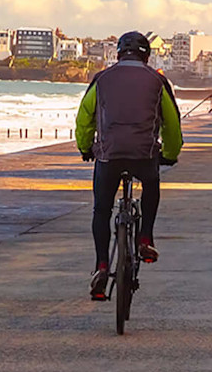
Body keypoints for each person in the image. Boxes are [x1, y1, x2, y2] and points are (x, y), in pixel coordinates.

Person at [74, 31, 182, 300]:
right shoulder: (157, 81)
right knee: (151, 186)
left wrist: (85, 148)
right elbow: (172, 124)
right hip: (143, 155)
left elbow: (85, 118)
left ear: (119, 53)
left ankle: (101, 265)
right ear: (147, 56)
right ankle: (145, 238)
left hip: (109, 156)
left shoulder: (102, 79)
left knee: (101, 209)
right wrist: (170, 154)